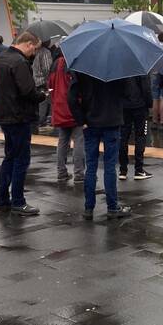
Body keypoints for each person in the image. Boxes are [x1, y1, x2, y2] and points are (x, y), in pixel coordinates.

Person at [0, 32, 44, 216]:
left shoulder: (1, 58)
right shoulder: (20, 62)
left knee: (9, 157)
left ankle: (2, 200)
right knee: (21, 159)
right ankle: (18, 201)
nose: (34, 53)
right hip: (19, 116)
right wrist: (42, 95)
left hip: (4, 115)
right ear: (29, 44)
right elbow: (27, 91)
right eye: (34, 49)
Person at [68, 70, 131, 221]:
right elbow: (128, 93)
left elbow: (71, 98)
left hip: (90, 122)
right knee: (110, 166)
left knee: (91, 166)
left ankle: (89, 208)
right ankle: (112, 206)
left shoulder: (82, 69)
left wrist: (80, 120)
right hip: (112, 120)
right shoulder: (119, 69)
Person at [49, 55, 85, 183]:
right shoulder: (75, 63)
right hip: (73, 109)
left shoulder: (55, 64)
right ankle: (79, 173)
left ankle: (61, 172)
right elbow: (78, 88)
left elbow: (51, 85)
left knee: (62, 141)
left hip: (59, 108)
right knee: (79, 141)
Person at [120, 74, 152, 180]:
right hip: (140, 105)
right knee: (140, 136)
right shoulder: (141, 67)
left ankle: (123, 169)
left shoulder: (120, 67)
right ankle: (139, 169)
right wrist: (149, 103)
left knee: (123, 137)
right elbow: (146, 88)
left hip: (124, 106)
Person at [31, 39, 54, 128]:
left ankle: (39, 120)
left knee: (40, 102)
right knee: (44, 101)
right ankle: (42, 120)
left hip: (35, 80)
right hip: (43, 81)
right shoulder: (45, 52)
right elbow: (47, 68)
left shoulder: (36, 51)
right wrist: (48, 79)